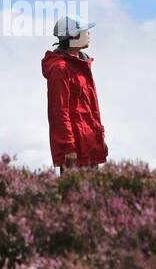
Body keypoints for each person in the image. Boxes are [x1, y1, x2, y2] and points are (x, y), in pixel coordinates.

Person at [42, 16, 107, 173]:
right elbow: (59, 112)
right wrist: (68, 147)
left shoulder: (82, 65)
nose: (89, 34)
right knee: (75, 196)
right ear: (73, 36)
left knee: (95, 197)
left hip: (90, 145)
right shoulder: (60, 68)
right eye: (84, 31)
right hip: (75, 151)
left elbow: (91, 110)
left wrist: (100, 138)